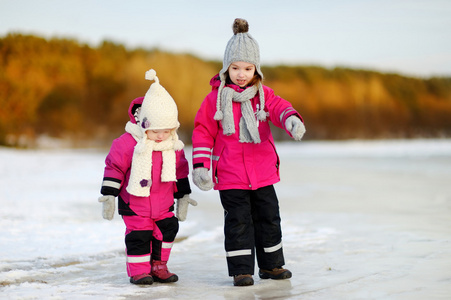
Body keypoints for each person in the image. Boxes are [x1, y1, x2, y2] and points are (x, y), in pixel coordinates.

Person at [191, 18, 306, 287]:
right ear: (226, 68)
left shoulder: (263, 96)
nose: (241, 74)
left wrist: (291, 120)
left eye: (247, 68)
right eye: (235, 67)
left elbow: (279, 108)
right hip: (230, 173)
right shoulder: (215, 99)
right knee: (238, 223)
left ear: (256, 69)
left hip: (263, 173)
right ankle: (241, 270)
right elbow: (202, 131)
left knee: (269, 218)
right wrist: (201, 165)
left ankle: (272, 265)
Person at [98, 69, 197, 285]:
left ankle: (159, 266)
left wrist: (183, 195)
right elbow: (114, 167)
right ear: (143, 125)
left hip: (163, 205)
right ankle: (139, 271)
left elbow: (180, 170)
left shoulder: (173, 146)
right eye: (155, 131)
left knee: (167, 231)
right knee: (139, 237)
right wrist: (109, 194)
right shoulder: (127, 143)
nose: (161, 136)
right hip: (135, 203)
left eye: (166, 130)